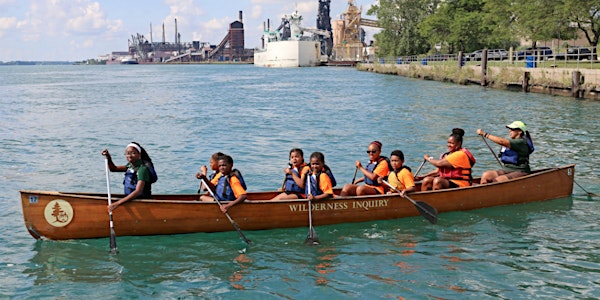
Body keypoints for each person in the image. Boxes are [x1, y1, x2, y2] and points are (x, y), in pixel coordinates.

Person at [102, 142, 157, 212]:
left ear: (139, 154)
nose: (130, 156)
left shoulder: (142, 169)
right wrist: (108, 158)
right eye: (127, 153)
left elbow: (138, 191)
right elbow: (113, 169)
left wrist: (118, 203)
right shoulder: (130, 166)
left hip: (140, 201)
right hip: (131, 200)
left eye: (133, 153)